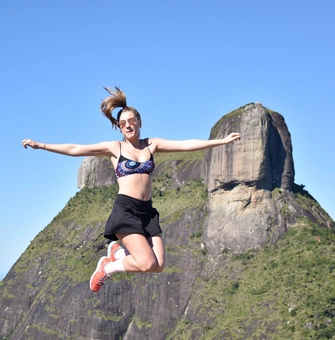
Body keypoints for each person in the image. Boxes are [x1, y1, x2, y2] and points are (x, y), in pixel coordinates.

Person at [22, 86, 241, 293]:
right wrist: (40, 145)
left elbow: (186, 144)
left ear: (139, 122)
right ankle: (107, 267)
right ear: (119, 127)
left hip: (147, 211)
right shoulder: (114, 148)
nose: (127, 125)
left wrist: (221, 141)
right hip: (125, 210)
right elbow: (74, 148)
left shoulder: (151, 145)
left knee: (158, 265)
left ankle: (117, 252)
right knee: (146, 263)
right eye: (123, 123)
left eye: (131, 121)